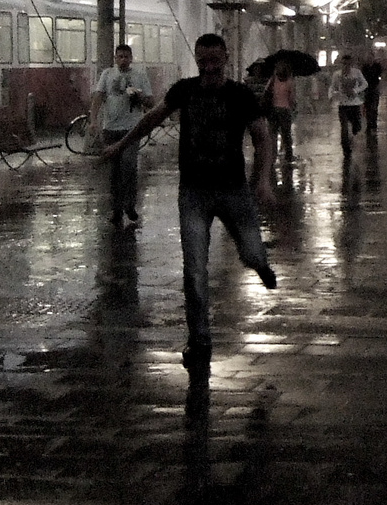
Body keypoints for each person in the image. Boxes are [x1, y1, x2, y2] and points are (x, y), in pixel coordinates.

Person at [102, 33, 276, 371]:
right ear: (197, 60)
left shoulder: (240, 95)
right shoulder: (185, 90)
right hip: (193, 192)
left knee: (252, 251)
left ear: (226, 58)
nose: (209, 67)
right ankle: (200, 339)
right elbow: (152, 118)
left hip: (233, 189)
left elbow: (262, 137)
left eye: (215, 60)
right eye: (203, 60)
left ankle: (260, 265)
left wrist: (264, 179)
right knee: (194, 269)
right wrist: (121, 145)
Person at [90, 43, 153, 226]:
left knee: (129, 166)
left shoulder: (139, 76)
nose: (123, 60)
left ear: (131, 58)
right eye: (120, 57)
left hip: (132, 129)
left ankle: (130, 205)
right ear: (115, 59)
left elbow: (150, 101)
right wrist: (94, 120)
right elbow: (98, 97)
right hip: (110, 128)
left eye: (127, 56)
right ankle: (116, 209)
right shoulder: (107, 75)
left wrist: (139, 96)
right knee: (114, 171)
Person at [330, 52, 369, 156]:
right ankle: (346, 148)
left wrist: (356, 90)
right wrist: (332, 96)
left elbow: (365, 84)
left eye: (348, 64)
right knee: (344, 127)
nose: (345, 66)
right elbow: (333, 87)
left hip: (355, 104)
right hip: (343, 105)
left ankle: (351, 137)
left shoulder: (357, 73)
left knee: (357, 127)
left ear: (351, 64)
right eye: (343, 64)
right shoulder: (337, 75)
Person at [264, 60, 297, 162]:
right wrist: (292, 107)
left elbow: (266, 92)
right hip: (285, 110)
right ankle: (288, 155)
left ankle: (273, 155)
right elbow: (291, 99)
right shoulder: (290, 81)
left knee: (272, 134)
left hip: (273, 110)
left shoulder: (273, 80)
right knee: (286, 134)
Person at [361, 53, 384, 134]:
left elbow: (380, 75)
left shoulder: (377, 66)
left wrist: (379, 85)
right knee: (367, 108)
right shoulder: (364, 67)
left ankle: (373, 125)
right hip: (367, 89)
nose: (369, 59)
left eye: (370, 58)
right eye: (368, 58)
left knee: (374, 108)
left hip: (375, 88)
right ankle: (369, 125)